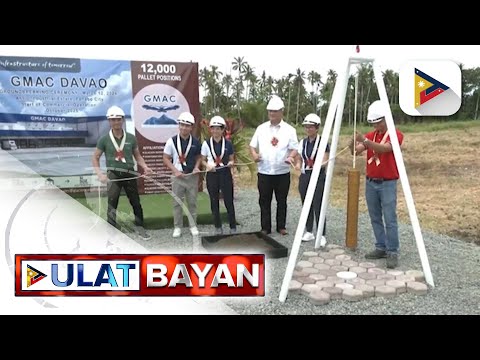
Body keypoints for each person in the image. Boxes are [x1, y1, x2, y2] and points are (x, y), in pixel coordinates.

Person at [349, 100, 404, 269]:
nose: (376, 126)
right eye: (374, 123)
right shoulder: (371, 135)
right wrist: (352, 142)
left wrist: (364, 141)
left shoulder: (396, 134)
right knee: (375, 217)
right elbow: (355, 151)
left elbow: (383, 149)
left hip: (387, 183)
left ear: (386, 119)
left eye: (378, 123)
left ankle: (392, 251)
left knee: (390, 218)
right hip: (371, 182)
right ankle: (381, 247)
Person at [92, 105, 153, 241]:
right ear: (109, 121)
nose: (116, 122)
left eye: (118, 119)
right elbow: (95, 157)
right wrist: (100, 174)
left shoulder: (131, 138)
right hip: (113, 174)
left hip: (130, 173)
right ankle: (111, 233)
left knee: (136, 202)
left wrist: (145, 166)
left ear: (123, 120)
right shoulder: (104, 139)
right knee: (112, 203)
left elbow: (137, 155)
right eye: (113, 120)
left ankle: (140, 228)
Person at [249, 95, 298, 236]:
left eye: (275, 111)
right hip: (264, 171)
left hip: (282, 172)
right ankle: (265, 228)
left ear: (282, 111)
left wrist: (291, 156)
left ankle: (281, 226)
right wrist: (254, 154)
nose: (272, 114)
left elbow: (295, 148)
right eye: (270, 111)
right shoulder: (261, 129)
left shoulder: (289, 130)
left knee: (281, 200)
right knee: (264, 200)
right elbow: (252, 146)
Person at [163, 111, 202, 238]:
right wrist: (175, 171)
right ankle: (177, 227)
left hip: (191, 176)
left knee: (192, 203)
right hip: (177, 177)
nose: (184, 127)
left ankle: (193, 226)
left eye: (187, 125)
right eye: (182, 125)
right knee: (177, 203)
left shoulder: (195, 142)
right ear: (179, 125)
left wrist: (196, 167)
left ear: (191, 127)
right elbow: (166, 158)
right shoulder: (171, 141)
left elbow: (199, 157)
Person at [295, 114, 330, 245]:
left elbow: (326, 159)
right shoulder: (303, 142)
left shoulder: (323, 142)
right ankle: (309, 231)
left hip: (318, 176)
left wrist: (319, 164)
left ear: (317, 128)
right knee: (306, 204)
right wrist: (298, 164)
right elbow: (299, 156)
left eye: (311, 127)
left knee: (318, 204)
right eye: (306, 127)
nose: (308, 129)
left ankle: (321, 233)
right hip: (305, 176)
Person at [201, 116, 237, 235]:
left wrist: (231, 163)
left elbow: (232, 159)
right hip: (212, 174)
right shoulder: (206, 144)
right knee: (214, 200)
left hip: (225, 173)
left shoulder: (228, 144)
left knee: (228, 200)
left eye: (218, 129)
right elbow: (203, 160)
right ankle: (217, 226)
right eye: (213, 128)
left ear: (223, 130)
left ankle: (233, 226)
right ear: (210, 130)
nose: (215, 131)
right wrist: (207, 165)